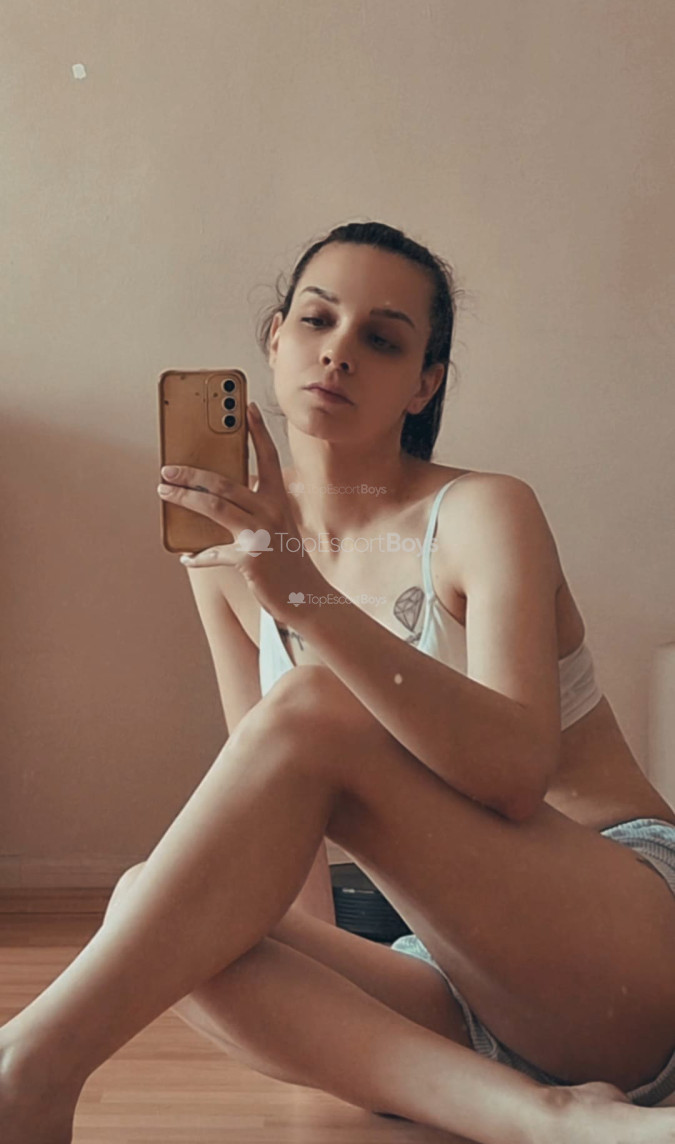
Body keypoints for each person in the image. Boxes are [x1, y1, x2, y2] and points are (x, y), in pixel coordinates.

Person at [1, 221, 674, 1144]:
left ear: (423, 384)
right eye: (317, 321)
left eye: (382, 339)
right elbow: (276, 850)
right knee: (153, 910)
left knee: (312, 707)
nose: (339, 352)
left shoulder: (482, 512)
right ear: (274, 341)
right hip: (456, 977)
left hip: (625, 940)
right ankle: (547, 1120)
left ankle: (27, 1069)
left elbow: (516, 774)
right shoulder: (225, 565)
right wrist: (300, 981)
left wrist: (305, 600)